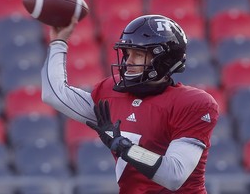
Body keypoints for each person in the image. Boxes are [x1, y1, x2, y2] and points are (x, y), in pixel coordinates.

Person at [41, 14, 219, 193]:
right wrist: (58, 43)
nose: (128, 61)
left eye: (139, 54)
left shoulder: (192, 103)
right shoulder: (113, 91)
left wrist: (126, 149)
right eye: (127, 53)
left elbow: (174, 175)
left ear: (164, 59)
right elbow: (55, 94)